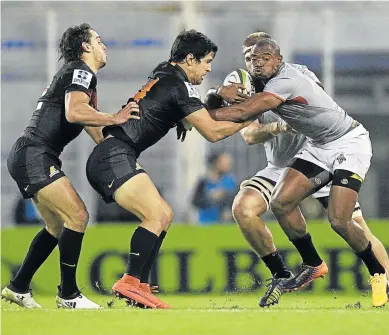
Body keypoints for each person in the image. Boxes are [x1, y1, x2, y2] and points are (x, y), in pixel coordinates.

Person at [208, 32, 389, 307]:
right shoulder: (240, 85)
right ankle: (287, 271)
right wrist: (215, 98)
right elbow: (248, 133)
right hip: (285, 163)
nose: (255, 62)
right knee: (247, 208)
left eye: (262, 57)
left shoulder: (292, 76)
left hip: (330, 148)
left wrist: (197, 112)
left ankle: (383, 277)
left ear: (277, 59)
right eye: (249, 57)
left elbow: (314, 106)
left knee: (347, 222)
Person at [86, 29, 253, 309]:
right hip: (113, 155)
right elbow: (211, 131)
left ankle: (139, 285)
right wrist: (251, 115)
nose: (208, 67)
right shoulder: (179, 87)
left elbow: (190, 108)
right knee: (156, 214)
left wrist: (215, 94)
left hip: (114, 154)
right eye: (206, 61)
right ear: (190, 59)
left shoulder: (164, 73)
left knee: (164, 213)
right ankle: (129, 281)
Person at [1, 23, 139, 309]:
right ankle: (68, 294)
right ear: (86, 46)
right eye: (98, 40)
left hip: (31, 155)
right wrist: (116, 117)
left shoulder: (79, 76)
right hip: (35, 155)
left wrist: (120, 155)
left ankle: (18, 287)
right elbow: (75, 112)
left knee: (56, 225)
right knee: (77, 216)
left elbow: (90, 124)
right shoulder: (81, 71)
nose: (105, 46)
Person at [192, 151, 237, 224]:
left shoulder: (229, 181)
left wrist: (224, 195)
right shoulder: (203, 181)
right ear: (215, 163)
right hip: (205, 223)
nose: (227, 165)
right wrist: (210, 197)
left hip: (224, 223)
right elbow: (195, 201)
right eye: (223, 162)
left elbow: (235, 200)